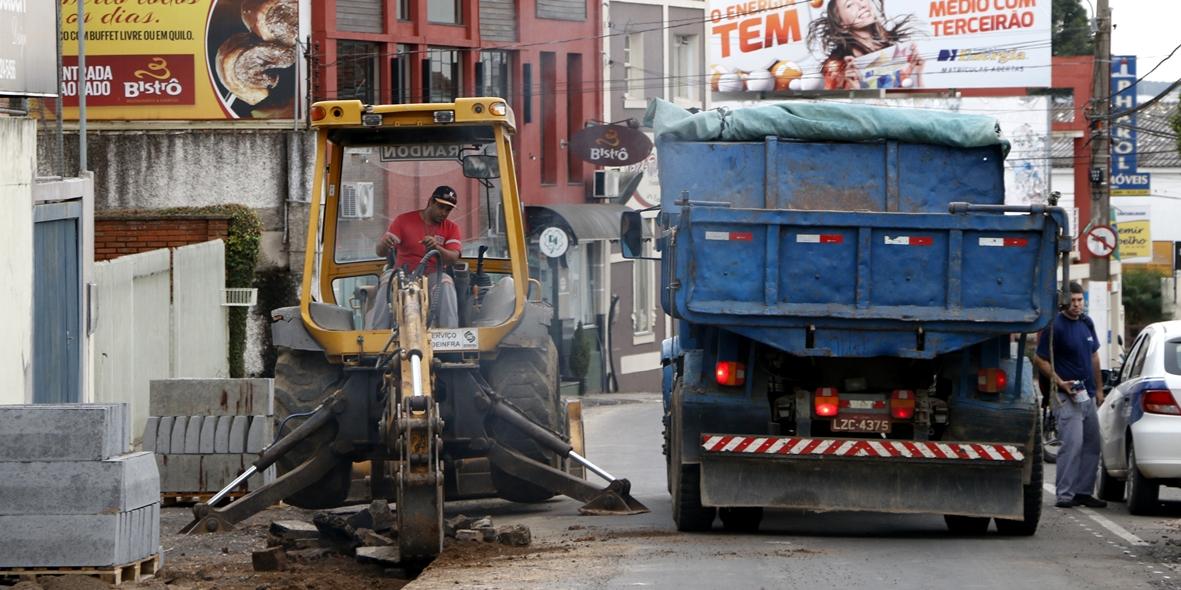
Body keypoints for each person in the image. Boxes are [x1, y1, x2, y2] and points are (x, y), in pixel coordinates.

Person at [1033, 281, 1106, 509]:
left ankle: (1084, 492)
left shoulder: (1087, 323)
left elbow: (1094, 356)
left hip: (1088, 395)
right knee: (1072, 444)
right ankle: (1065, 495)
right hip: (1066, 396)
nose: (1076, 305)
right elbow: (1040, 359)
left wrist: (1100, 389)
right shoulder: (1054, 325)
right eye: (1072, 301)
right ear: (1064, 302)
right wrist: (1059, 382)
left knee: (1092, 444)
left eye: (1079, 300)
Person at [369, 185, 462, 328]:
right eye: (440, 207)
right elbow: (380, 252)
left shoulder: (451, 228)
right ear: (430, 202)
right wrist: (384, 245)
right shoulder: (403, 221)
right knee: (387, 281)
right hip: (402, 273)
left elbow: (453, 258)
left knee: (446, 283)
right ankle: (378, 334)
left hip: (433, 275)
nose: (443, 213)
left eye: (448, 210)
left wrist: (436, 248)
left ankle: (450, 336)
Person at [806, 0, 924, 90]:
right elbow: (831, 111)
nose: (862, 5)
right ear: (841, 23)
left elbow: (915, 104)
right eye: (850, 5)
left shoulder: (893, 55)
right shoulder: (836, 67)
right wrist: (854, 90)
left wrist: (917, 72)